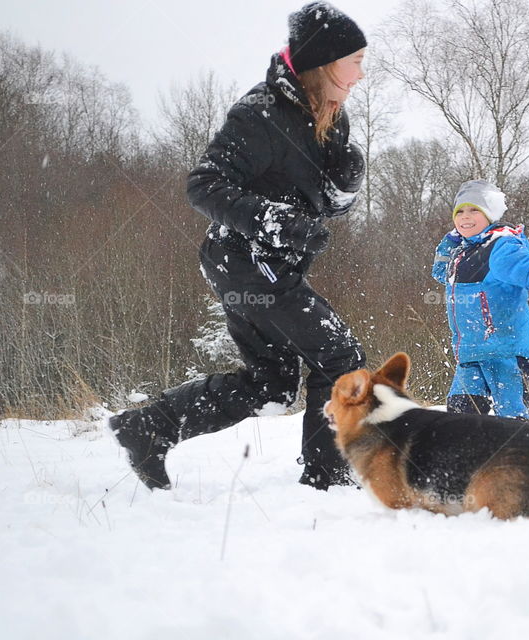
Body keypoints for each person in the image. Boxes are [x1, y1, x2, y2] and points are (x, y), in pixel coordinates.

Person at [110, 2, 368, 491]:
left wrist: (345, 183)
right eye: (354, 60)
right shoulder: (261, 114)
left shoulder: (331, 116)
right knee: (340, 357)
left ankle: (150, 428)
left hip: (264, 266)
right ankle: (328, 479)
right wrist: (275, 222)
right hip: (245, 259)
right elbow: (203, 185)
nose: (360, 73)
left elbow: (326, 210)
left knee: (271, 383)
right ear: (325, 62)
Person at [432, 180, 529, 432]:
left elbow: (526, 266)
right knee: (460, 417)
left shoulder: (500, 246)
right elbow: (440, 271)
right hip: (469, 354)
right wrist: (451, 241)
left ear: (490, 214)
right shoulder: (460, 254)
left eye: (474, 210)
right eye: (459, 212)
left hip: (504, 351)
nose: (465, 217)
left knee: (516, 421)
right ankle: (475, 465)